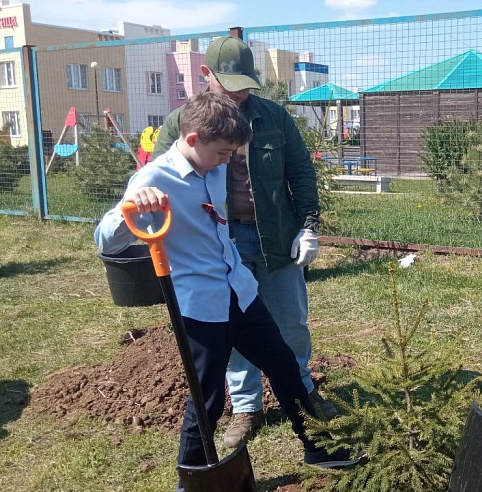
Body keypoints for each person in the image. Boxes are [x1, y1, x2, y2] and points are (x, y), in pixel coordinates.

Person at [94, 93, 360, 485]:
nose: (228, 161)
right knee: (208, 400)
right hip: (200, 306)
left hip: (240, 290)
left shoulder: (214, 166)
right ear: (192, 139)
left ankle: (317, 447)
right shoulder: (152, 179)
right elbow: (105, 242)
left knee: (285, 366)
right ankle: (193, 479)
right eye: (222, 152)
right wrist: (129, 208)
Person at [153, 35, 336, 449]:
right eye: (229, 81)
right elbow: (163, 181)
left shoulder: (272, 117)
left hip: (276, 237)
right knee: (232, 328)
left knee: (290, 321)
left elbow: (301, 172)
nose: (238, 91)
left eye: (245, 83)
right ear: (206, 75)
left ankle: (303, 393)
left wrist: (308, 225)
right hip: (221, 245)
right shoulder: (182, 123)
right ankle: (246, 406)